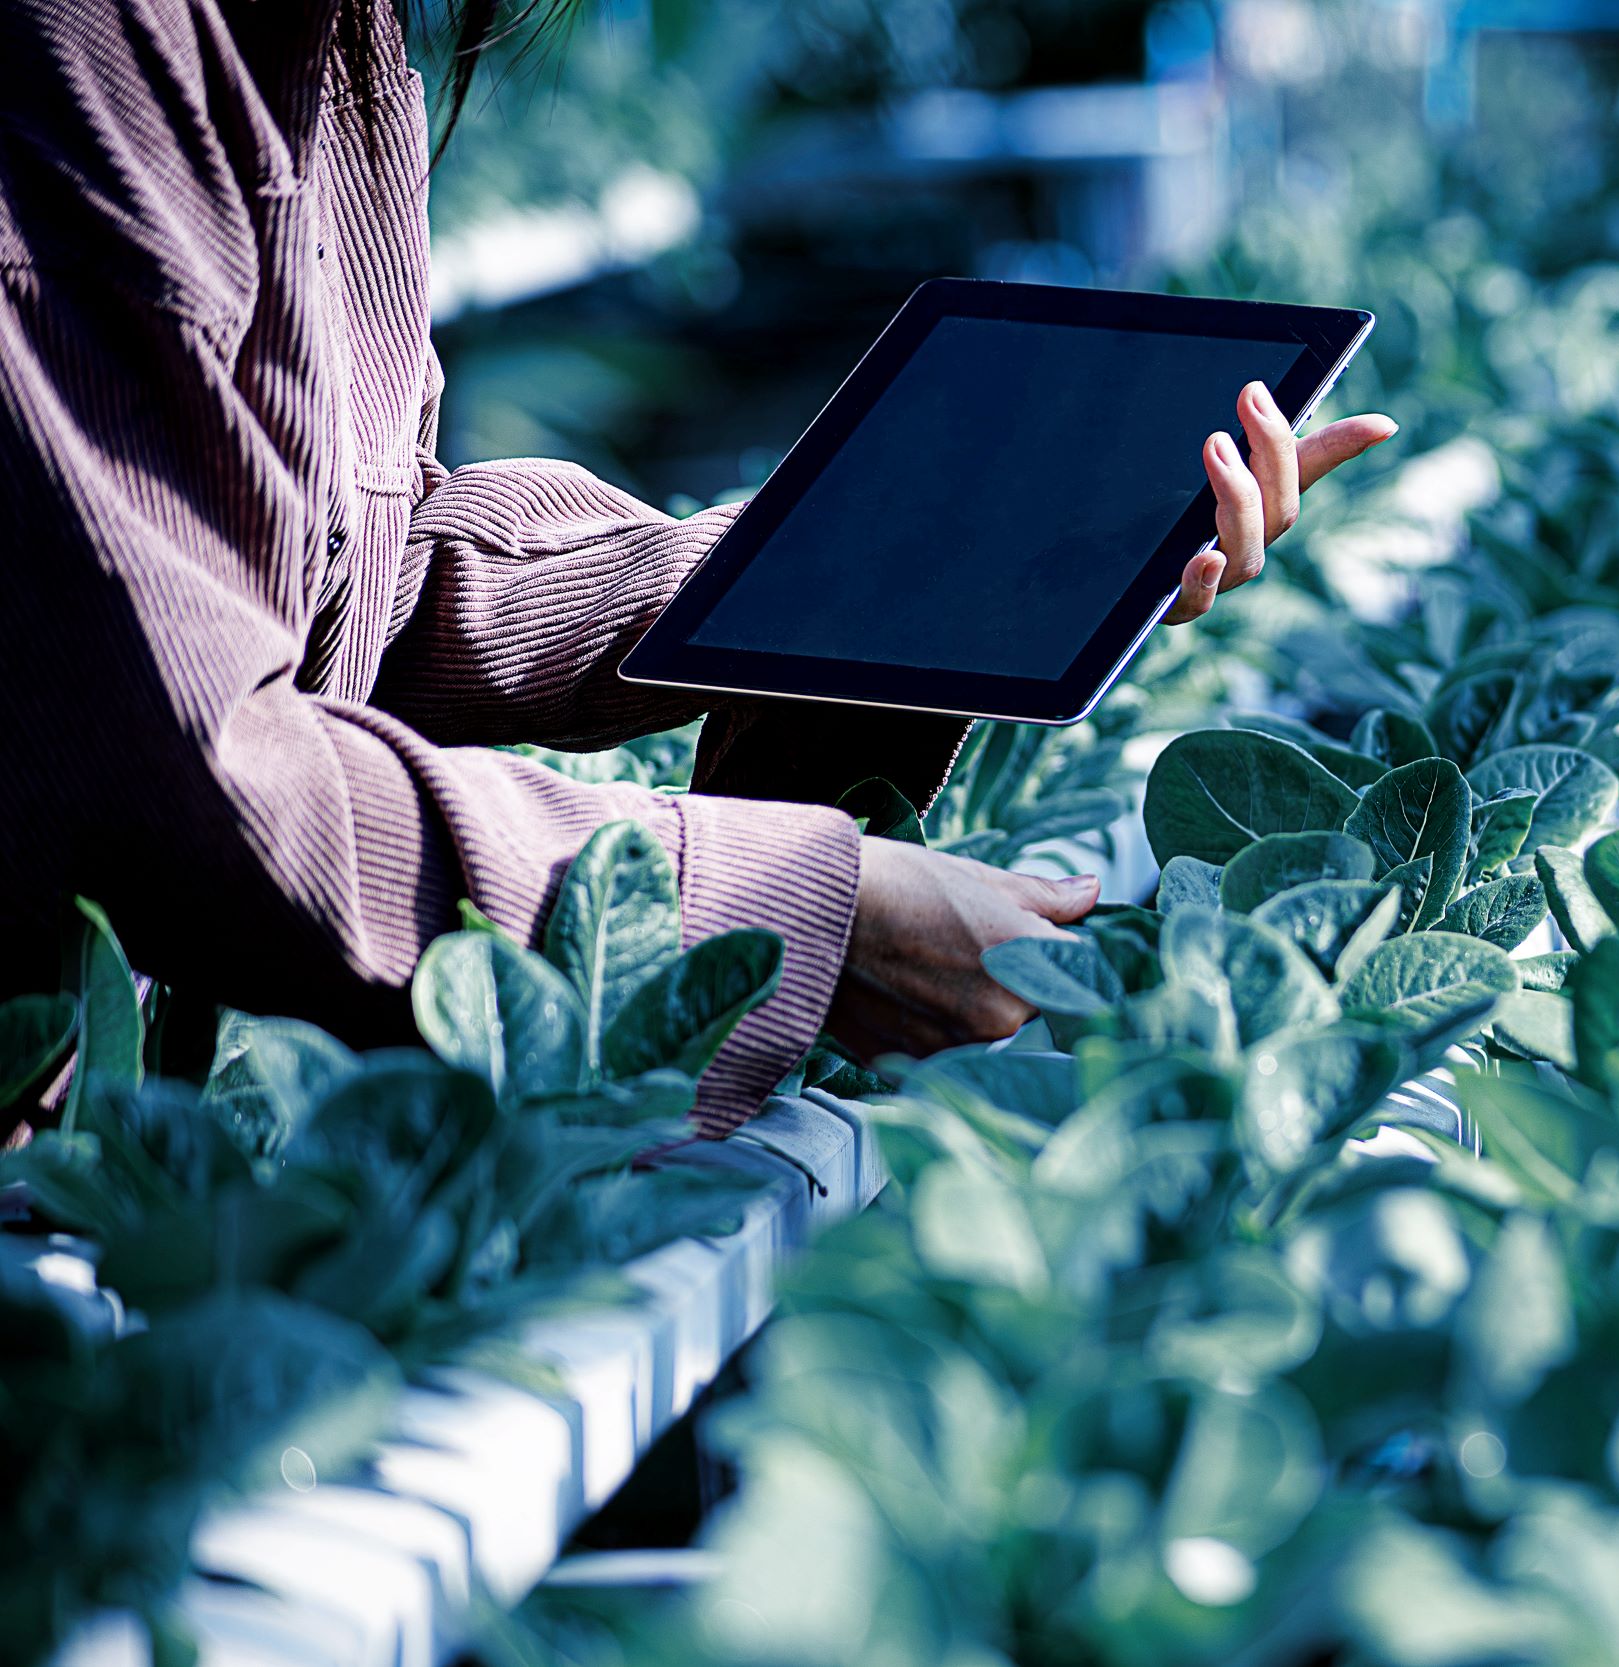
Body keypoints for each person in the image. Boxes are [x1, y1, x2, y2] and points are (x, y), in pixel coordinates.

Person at [0, 0, 1396, 1135]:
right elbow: (189, 774)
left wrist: (886, 567)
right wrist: (798, 911)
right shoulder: (82, 40)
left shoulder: (334, 33)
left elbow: (352, 567)